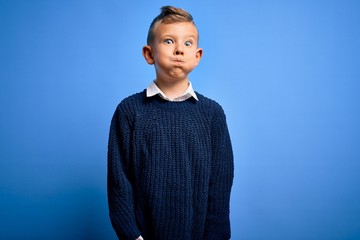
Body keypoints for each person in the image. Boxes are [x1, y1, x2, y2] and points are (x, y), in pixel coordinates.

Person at [107, 6, 234, 240]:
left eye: (188, 43)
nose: (178, 50)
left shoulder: (212, 114)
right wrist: (132, 236)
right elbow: (119, 183)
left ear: (197, 56)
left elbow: (220, 186)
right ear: (149, 53)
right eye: (168, 41)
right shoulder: (129, 111)